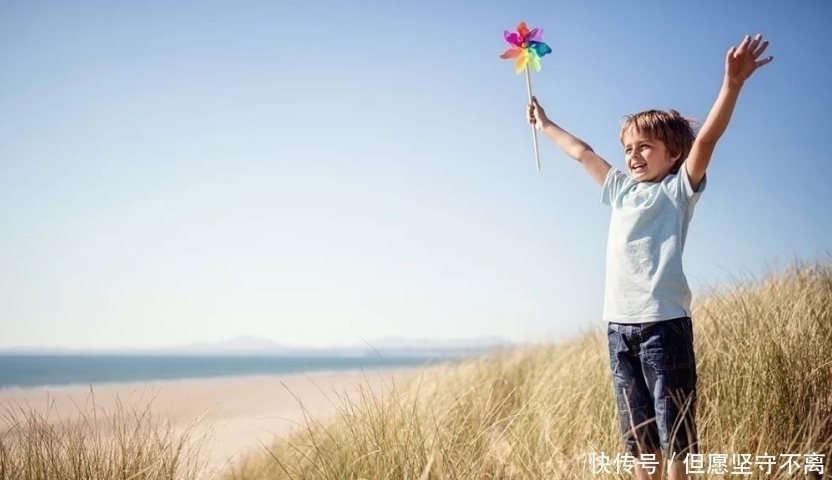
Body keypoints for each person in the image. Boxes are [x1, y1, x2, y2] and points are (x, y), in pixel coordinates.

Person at [526, 34, 773, 480]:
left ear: (672, 153)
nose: (632, 155)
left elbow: (707, 142)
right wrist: (545, 125)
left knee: (673, 429)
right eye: (628, 148)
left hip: (663, 326)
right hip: (618, 328)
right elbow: (582, 152)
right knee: (637, 432)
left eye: (644, 147)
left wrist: (732, 85)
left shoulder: (677, 192)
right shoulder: (620, 190)